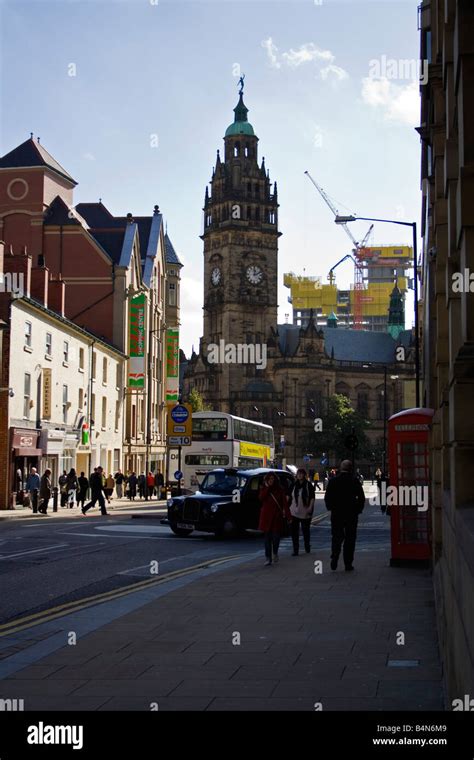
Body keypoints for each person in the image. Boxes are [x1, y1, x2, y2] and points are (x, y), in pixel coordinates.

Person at [324, 459, 365, 572]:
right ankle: (348, 563)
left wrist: (331, 508)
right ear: (351, 469)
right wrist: (358, 510)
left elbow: (327, 497)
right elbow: (361, 498)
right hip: (351, 514)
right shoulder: (354, 481)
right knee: (350, 539)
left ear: (341, 468)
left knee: (336, 536)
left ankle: (335, 556)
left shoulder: (333, 481)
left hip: (337, 514)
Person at [258, 472, 292, 566]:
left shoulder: (280, 490)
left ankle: (275, 552)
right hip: (266, 517)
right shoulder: (264, 488)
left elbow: (284, 503)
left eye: (273, 479)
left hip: (276, 517)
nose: (271, 481)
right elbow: (261, 498)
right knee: (267, 539)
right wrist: (267, 488)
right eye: (269, 479)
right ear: (267, 480)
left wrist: (288, 516)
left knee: (276, 538)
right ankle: (268, 558)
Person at [289, 468, 315, 555]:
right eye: (298, 474)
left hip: (305, 512)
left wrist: (310, 507)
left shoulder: (308, 485)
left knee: (305, 531)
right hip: (294, 512)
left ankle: (307, 546)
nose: (299, 475)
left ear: (304, 475)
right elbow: (288, 497)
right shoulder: (293, 485)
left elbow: (312, 497)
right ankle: (295, 550)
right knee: (294, 532)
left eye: (301, 474)